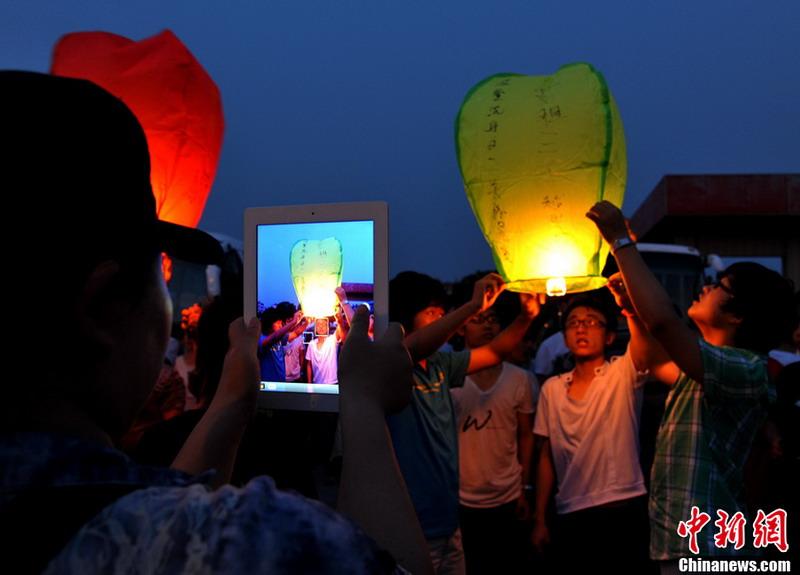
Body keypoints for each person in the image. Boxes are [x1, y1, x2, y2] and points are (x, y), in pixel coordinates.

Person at [0, 71, 432, 574]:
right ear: (102, 308)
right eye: (160, 272)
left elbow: (162, 515)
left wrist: (232, 398)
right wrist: (362, 404)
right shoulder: (254, 541)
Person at [587, 200, 796, 570]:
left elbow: (665, 324)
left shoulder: (748, 370)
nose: (707, 287)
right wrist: (632, 308)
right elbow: (653, 359)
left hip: (709, 548)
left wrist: (621, 242)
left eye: (721, 286)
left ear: (737, 314)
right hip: (685, 542)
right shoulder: (704, 368)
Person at [387, 271, 542, 574]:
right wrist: (472, 307)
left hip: (448, 522)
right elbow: (413, 346)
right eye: (432, 312)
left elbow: (496, 352)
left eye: (442, 313)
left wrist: (526, 317)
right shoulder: (391, 362)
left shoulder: (440, 365)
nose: (441, 319)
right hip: (413, 527)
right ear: (404, 317)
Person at [532, 293, 652, 573]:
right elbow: (546, 456)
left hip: (622, 503)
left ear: (610, 337)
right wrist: (540, 517)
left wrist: (629, 306)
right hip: (570, 509)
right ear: (564, 338)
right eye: (573, 323)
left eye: (591, 322)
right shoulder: (552, 389)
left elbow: (644, 345)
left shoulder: (622, 374)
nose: (581, 328)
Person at [451, 304, 538, 575]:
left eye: (493, 319)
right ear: (462, 327)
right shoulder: (450, 376)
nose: (488, 326)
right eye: (479, 319)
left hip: (508, 493)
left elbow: (526, 435)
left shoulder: (520, 378)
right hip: (461, 495)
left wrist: (525, 487)